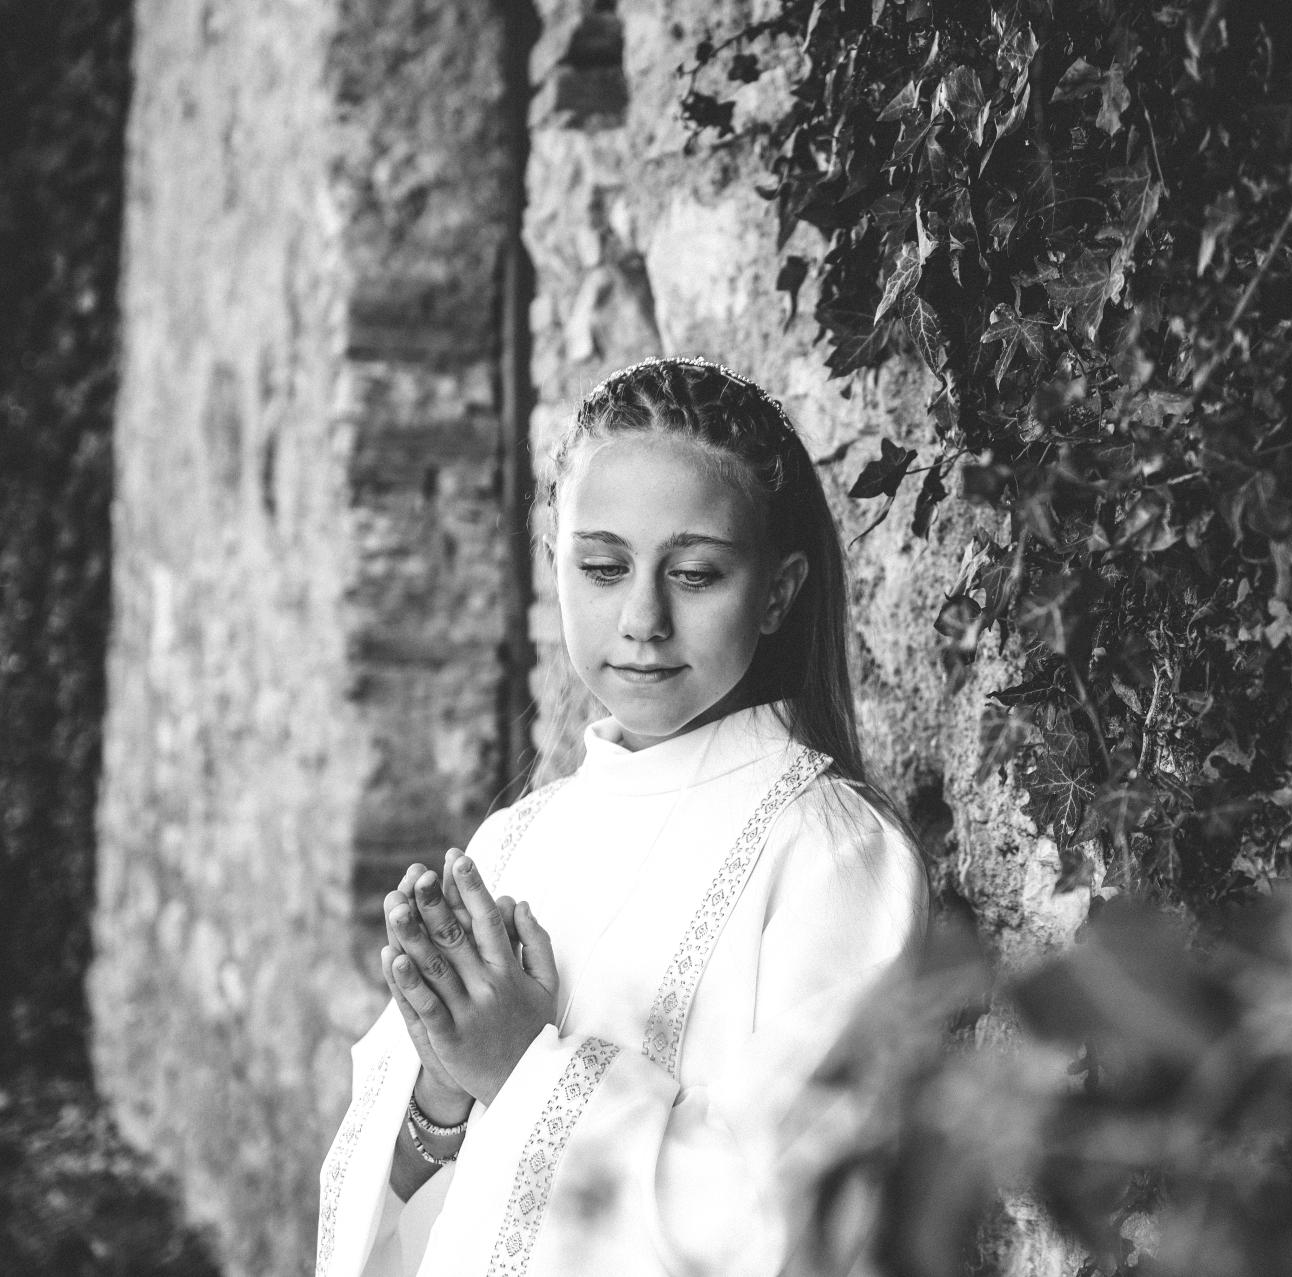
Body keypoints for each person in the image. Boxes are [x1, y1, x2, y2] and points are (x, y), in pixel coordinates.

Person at [314, 357, 928, 1277]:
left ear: (778, 591)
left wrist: (522, 1068)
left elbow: (790, 1221)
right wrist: (441, 1084)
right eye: (603, 567)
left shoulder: (836, 857)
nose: (643, 617)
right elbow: (398, 1218)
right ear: (553, 566)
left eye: (695, 573)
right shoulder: (514, 839)